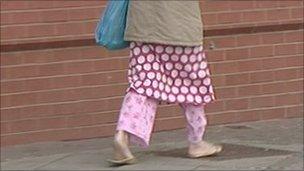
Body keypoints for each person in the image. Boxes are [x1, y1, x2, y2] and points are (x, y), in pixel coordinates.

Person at [108, 0, 222, 165]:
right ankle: (196, 142)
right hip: (181, 27)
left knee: (143, 85)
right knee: (193, 86)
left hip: (143, 27)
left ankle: (122, 135)